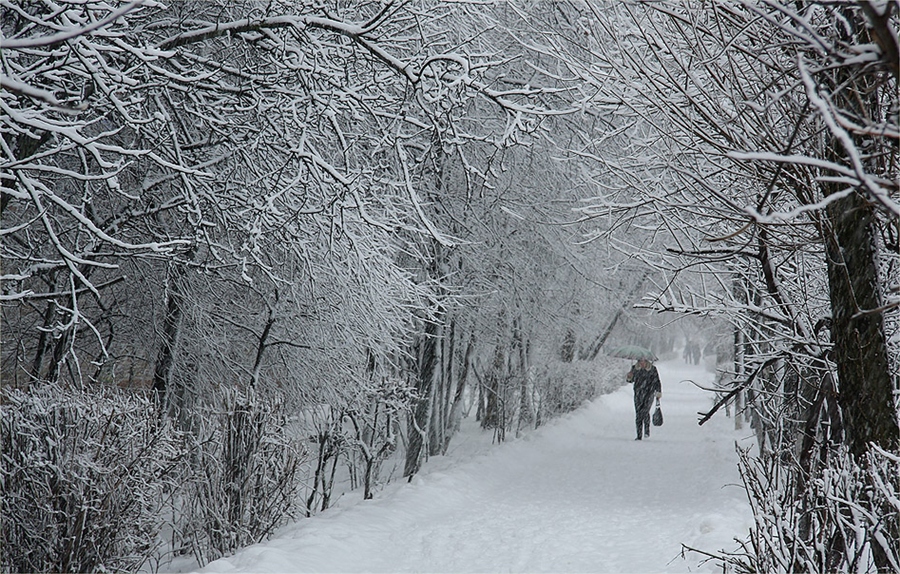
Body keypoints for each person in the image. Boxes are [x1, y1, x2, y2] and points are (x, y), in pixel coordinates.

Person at [626, 358, 662, 440]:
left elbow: (657, 381)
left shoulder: (652, 369)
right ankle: (639, 435)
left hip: (649, 393)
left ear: (646, 361)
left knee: (645, 411)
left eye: (643, 361)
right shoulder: (634, 368)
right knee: (638, 413)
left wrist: (658, 392)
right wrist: (629, 377)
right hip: (638, 393)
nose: (642, 363)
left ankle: (646, 430)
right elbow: (630, 381)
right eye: (640, 361)